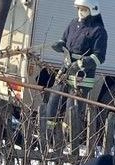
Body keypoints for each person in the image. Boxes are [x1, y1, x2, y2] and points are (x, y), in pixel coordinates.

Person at [42, 0, 108, 149]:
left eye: (84, 9)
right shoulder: (73, 24)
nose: (80, 12)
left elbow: (100, 57)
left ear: (92, 11)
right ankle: (47, 136)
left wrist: (81, 64)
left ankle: (67, 140)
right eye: (79, 9)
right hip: (65, 69)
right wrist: (59, 45)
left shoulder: (99, 31)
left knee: (73, 109)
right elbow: (64, 40)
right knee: (53, 100)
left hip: (82, 76)